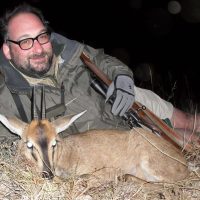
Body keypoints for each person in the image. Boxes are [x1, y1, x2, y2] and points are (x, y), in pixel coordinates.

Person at [0, 3, 199, 144]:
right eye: (25, 41)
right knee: (188, 141)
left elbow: (102, 60)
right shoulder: (7, 96)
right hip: (118, 138)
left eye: (41, 36)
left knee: (189, 121)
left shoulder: (67, 50)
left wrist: (122, 78)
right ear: (7, 50)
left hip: (127, 99)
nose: (38, 48)